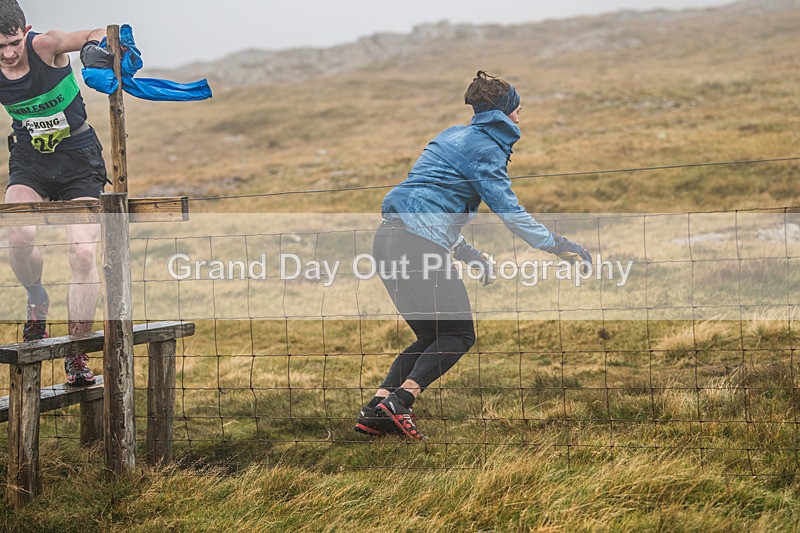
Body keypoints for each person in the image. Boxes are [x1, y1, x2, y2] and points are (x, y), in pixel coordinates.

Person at [355, 70, 592, 440]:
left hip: (387, 239)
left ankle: (375, 410)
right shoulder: (485, 148)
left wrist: (467, 254)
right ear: (504, 113)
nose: (520, 116)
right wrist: (557, 244)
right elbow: (509, 210)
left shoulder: (452, 135)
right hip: (418, 244)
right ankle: (400, 403)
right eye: (518, 109)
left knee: (431, 335)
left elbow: (431, 200)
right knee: (459, 335)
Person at [0, 0, 114, 385]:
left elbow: (94, 33)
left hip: (80, 160)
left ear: (26, 30)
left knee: (82, 252)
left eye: (13, 41)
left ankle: (77, 352)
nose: (9, 53)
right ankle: (37, 300)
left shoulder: (45, 46)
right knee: (17, 235)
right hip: (31, 160)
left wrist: (96, 50)